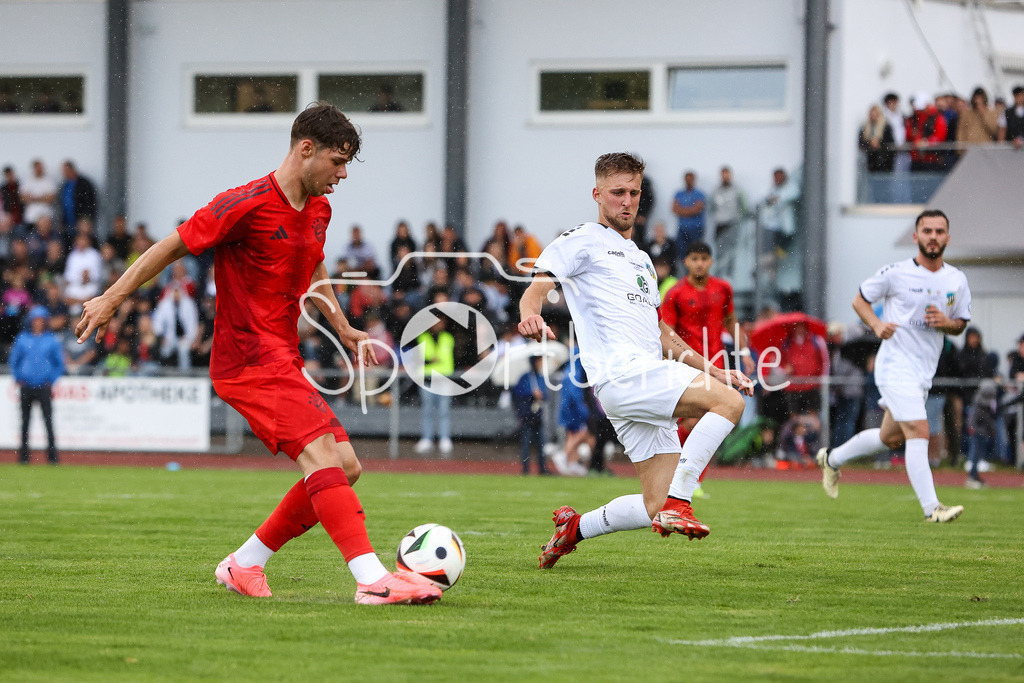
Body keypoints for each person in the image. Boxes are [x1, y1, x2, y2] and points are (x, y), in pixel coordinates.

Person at [75, 102, 441, 605]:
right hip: (246, 360)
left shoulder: (319, 210)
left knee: (346, 466)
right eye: (337, 163)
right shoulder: (243, 203)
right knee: (320, 455)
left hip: (281, 356)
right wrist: (111, 297)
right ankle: (372, 579)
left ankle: (244, 564)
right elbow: (170, 246)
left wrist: (342, 326)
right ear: (305, 149)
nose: (341, 176)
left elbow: (312, 269)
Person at [518, 152, 752, 570]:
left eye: (634, 192)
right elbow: (538, 285)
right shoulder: (582, 239)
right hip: (625, 375)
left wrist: (715, 370)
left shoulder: (642, 259)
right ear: (597, 194)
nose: (627, 201)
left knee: (652, 503)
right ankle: (682, 503)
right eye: (617, 193)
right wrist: (530, 313)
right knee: (730, 404)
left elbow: (661, 333)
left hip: (641, 379)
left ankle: (575, 528)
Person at [816, 209, 971, 523]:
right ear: (916, 237)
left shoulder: (956, 279)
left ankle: (831, 459)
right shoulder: (895, 272)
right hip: (894, 366)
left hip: (923, 373)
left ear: (947, 238)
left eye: (939, 231)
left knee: (891, 438)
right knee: (919, 430)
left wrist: (947, 323)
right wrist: (876, 324)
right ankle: (932, 508)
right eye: (927, 231)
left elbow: (961, 325)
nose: (933, 237)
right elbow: (859, 299)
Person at [661, 240, 754, 499]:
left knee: (711, 419)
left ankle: (691, 479)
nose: (699, 263)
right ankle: (681, 475)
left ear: (711, 261)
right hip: (687, 364)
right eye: (694, 258)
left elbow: (731, 321)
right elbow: (665, 331)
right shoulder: (675, 293)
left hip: (718, 364)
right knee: (691, 421)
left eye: (704, 258)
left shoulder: (723, 289)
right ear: (686, 262)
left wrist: (744, 352)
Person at [10, 306, 65, 464]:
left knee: (48, 422)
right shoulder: (22, 339)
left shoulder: (52, 340)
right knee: (25, 422)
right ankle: (23, 457)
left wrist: (51, 380)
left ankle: (52, 457)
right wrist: (18, 377)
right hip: (26, 386)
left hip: (44, 387)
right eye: (35, 320)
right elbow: (14, 361)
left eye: (41, 320)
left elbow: (59, 364)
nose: (38, 323)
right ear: (31, 321)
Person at [513, 353, 550, 475]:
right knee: (526, 443)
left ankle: (542, 468)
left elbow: (545, 395)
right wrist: (530, 394)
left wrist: (541, 395)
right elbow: (518, 393)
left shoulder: (540, 377)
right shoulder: (525, 377)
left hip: (538, 416)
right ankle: (525, 469)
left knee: (541, 444)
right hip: (527, 416)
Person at [671, 170, 706, 263]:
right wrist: (690, 210)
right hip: (682, 229)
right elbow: (674, 209)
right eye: (687, 179)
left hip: (696, 229)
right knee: (681, 253)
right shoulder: (679, 193)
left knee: (696, 252)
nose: (689, 181)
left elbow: (698, 209)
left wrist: (682, 210)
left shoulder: (699, 194)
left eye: (691, 179)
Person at [999, 85, 1024, 149]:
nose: (1021, 98)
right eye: (1018, 96)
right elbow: (1002, 130)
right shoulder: (1007, 112)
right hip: (1010, 147)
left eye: (1022, 95)